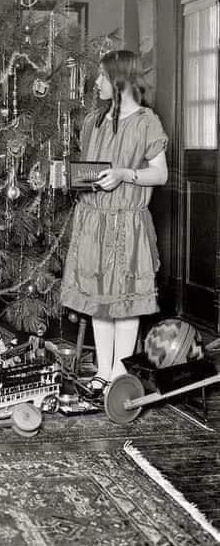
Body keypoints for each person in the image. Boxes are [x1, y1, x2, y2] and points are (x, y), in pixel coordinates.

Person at [60, 49, 168, 394]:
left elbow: (161, 174)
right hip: (92, 221)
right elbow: (88, 168)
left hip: (127, 224)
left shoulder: (146, 121)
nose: (97, 82)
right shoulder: (94, 120)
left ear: (119, 80)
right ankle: (104, 371)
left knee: (125, 303)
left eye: (103, 77)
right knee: (98, 300)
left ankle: (120, 376)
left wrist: (124, 174)